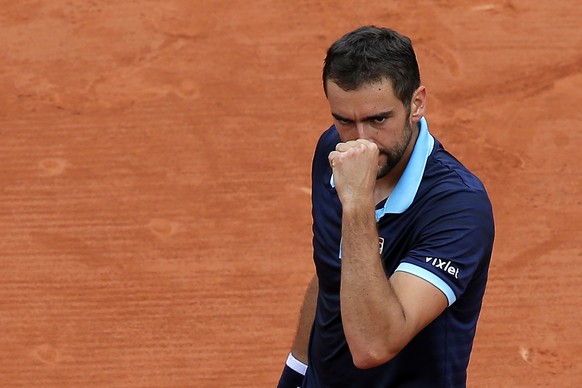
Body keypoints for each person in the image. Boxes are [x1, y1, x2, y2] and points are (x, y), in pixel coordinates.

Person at [276, 25, 495, 388]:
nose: (362, 142)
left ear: (416, 103)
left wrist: (358, 203)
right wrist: (296, 370)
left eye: (378, 120)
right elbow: (331, 276)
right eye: (345, 120)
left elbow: (374, 345)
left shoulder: (458, 207)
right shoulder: (332, 154)